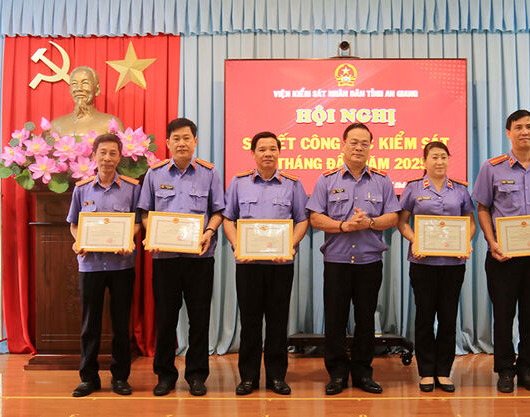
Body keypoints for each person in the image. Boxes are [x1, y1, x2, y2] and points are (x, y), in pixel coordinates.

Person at [471, 109, 530, 393]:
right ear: (508, 133)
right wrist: (492, 242)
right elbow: (483, 208)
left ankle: (527, 369)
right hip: (503, 256)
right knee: (503, 315)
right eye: (518, 127)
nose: (524, 131)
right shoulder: (492, 168)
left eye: (529, 126)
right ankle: (504, 369)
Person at [306, 122, 400, 395]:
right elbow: (315, 217)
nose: (359, 147)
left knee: (365, 319)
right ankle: (337, 374)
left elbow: (393, 217)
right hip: (337, 261)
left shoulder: (382, 180)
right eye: (354, 142)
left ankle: (362, 373)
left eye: (364, 143)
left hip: (369, 262)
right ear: (343, 145)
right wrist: (343, 226)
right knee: (335, 319)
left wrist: (370, 222)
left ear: (371, 147)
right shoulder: (327, 180)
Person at [137, 118, 224, 397]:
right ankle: (165, 375)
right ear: (167, 143)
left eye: (187, 138)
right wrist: (154, 233)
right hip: (166, 259)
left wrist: (209, 231)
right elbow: (144, 213)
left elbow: (218, 211)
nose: (181, 143)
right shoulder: (155, 174)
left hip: (200, 257)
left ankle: (197, 375)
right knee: (165, 319)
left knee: (199, 319)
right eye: (176, 138)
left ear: (195, 141)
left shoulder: (209, 173)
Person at [222, 131, 310, 396]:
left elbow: (302, 220)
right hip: (248, 264)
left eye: (273, 149)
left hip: (280, 265)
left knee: (277, 322)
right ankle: (248, 378)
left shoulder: (293, 184)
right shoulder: (239, 183)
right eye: (262, 149)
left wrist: (290, 246)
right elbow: (228, 219)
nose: (268, 153)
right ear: (253, 153)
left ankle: (276, 377)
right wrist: (237, 245)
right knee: (249, 322)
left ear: (279, 152)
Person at [396, 141, 476, 393]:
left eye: (443, 157)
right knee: (424, 316)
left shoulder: (460, 189)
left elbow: (470, 222)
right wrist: (415, 240)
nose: (439, 162)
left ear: (448, 160)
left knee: (448, 317)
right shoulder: (413, 188)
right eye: (434, 157)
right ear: (424, 161)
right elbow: (402, 222)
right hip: (423, 263)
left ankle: (444, 371)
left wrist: (466, 242)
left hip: (453, 263)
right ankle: (426, 372)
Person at [67, 133, 141, 397]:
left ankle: (120, 377)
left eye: (112, 153)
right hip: (91, 266)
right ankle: (88, 378)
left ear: (120, 157)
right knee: (90, 325)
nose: (107, 158)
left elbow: (137, 222)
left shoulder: (132, 188)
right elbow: (74, 224)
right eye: (103, 152)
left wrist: (128, 237)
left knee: (121, 324)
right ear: (94, 155)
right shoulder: (82, 189)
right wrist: (78, 241)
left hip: (122, 265)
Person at [51, 66, 124, 136]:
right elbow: (48, 144)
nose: (79, 88)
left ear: (97, 90)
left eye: (85, 83)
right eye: (74, 84)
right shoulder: (56, 125)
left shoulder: (111, 124)